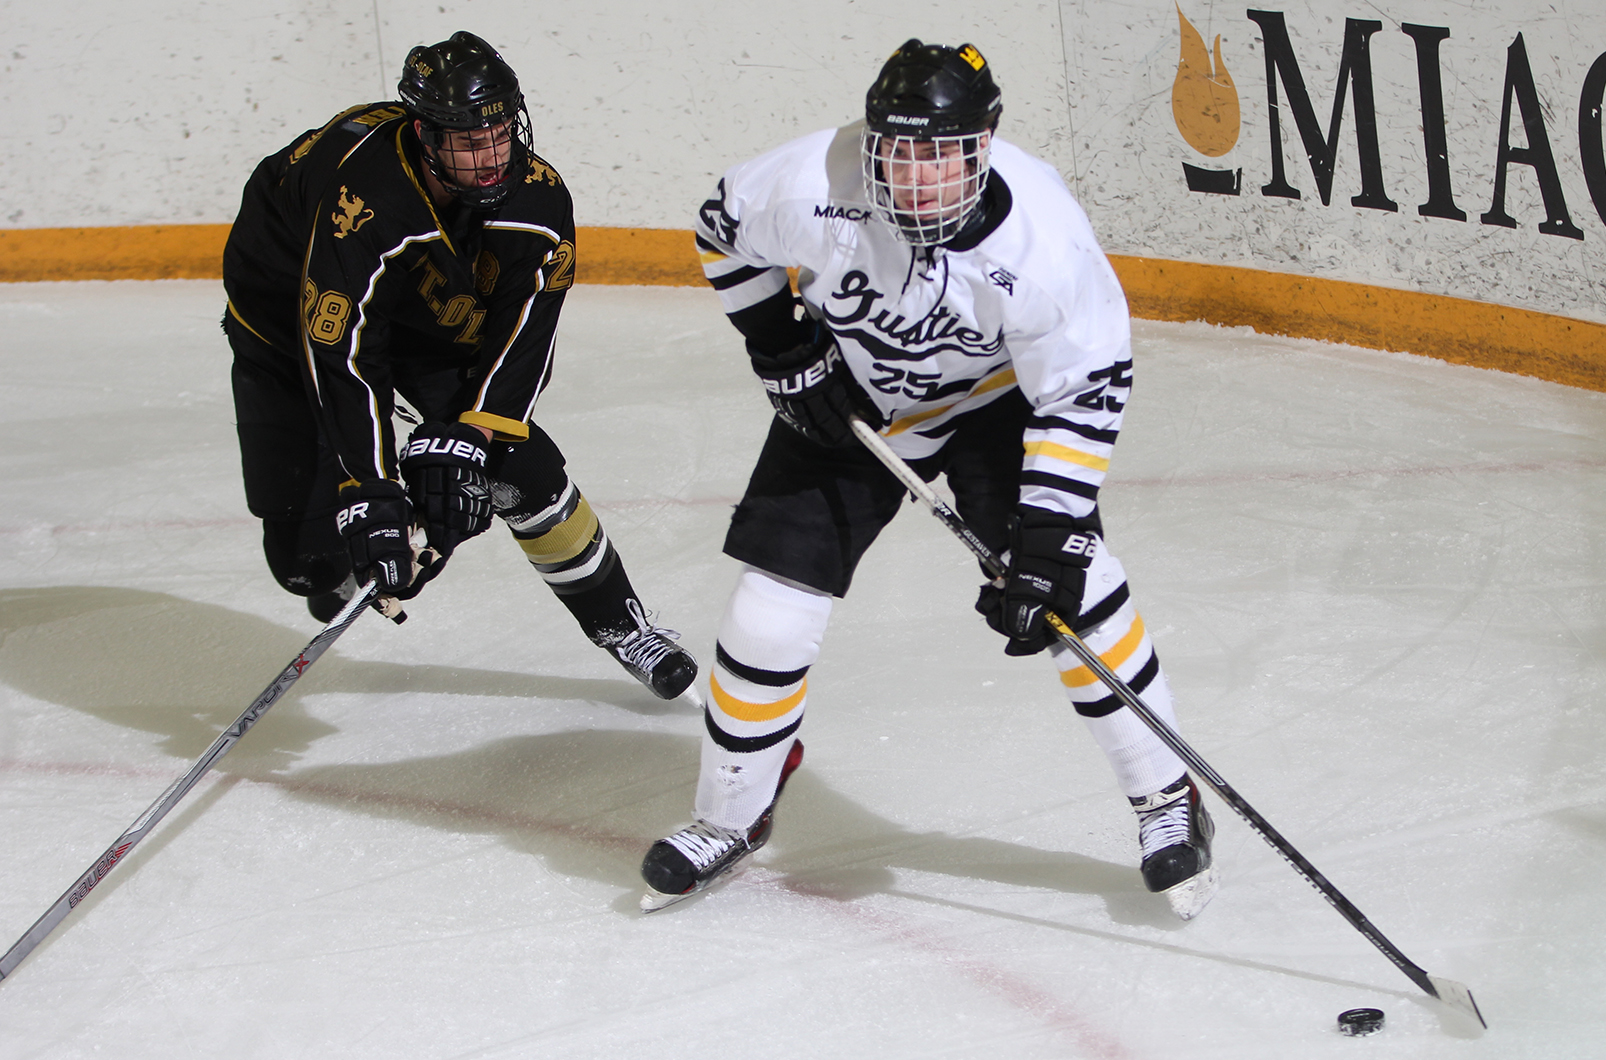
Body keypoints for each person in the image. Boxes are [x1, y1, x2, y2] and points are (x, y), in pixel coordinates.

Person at [640, 39, 1216, 918]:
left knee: (1077, 590)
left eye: (940, 155)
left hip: (995, 410)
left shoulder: (1045, 240)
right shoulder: (811, 184)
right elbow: (722, 230)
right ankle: (732, 812)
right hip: (854, 400)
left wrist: (1046, 540)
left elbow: (1084, 388)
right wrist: (785, 347)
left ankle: (1168, 798)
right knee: (769, 611)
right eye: (898, 152)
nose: (915, 179)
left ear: (984, 145)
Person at [221, 31, 696, 700]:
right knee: (305, 567)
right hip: (281, 313)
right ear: (424, 136)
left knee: (517, 463)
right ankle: (358, 552)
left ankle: (622, 624)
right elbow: (341, 353)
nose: (493, 156)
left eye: (501, 133)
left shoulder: (537, 198)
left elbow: (525, 339)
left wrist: (469, 441)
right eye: (471, 143)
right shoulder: (365, 202)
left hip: (422, 313)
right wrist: (376, 494)